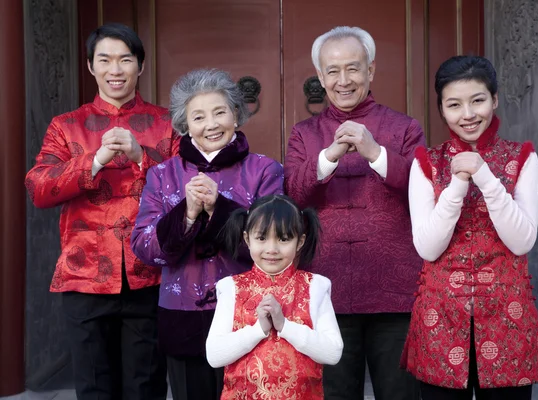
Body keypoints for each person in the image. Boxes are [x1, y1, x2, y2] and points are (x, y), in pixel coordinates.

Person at [24, 23, 179, 400]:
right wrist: (94, 161)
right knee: (94, 387)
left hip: (150, 274)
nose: (115, 70)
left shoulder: (167, 123)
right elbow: (39, 187)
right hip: (85, 274)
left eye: (125, 59)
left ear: (140, 66)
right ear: (91, 67)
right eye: (105, 60)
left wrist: (143, 156)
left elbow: (183, 190)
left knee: (146, 386)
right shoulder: (66, 126)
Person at [401, 55, 538, 400]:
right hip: (440, 317)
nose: (468, 114)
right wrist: (457, 183)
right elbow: (427, 247)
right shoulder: (426, 162)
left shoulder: (522, 157)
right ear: (442, 109)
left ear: (495, 100)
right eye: (454, 104)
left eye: (478, 100)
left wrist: (484, 175)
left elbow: (522, 241)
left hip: (507, 316)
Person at [284, 26, 424, 399]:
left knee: (400, 393)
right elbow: (295, 194)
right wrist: (329, 155)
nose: (343, 80)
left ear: (371, 70)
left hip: (394, 289)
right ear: (320, 77)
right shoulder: (303, 133)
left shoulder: (405, 127)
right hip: (325, 286)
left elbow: (424, 190)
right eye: (332, 71)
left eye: (353, 68)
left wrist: (375, 152)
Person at [130, 68, 284, 400]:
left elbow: (275, 247)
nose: (211, 124)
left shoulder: (265, 171)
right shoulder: (162, 175)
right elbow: (143, 247)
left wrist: (219, 208)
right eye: (198, 116)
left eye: (219, 112)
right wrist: (185, 214)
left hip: (249, 312)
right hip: (182, 315)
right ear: (185, 125)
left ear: (236, 115)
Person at [205, 194, 343, 399]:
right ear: (247, 239)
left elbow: (333, 352)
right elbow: (214, 356)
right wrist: (259, 329)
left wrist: (285, 326)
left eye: (284, 239)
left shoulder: (316, 286)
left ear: (300, 242)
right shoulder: (231, 288)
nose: (272, 249)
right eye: (261, 238)